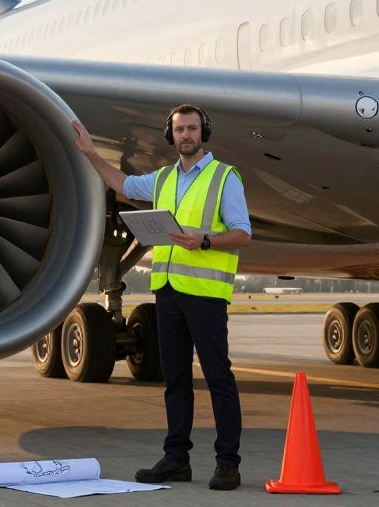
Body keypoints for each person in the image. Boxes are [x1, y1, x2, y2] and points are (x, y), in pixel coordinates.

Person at [71, 105, 251, 491]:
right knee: (175, 379)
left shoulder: (224, 178)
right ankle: (176, 459)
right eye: (179, 129)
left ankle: (227, 463)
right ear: (170, 136)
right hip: (167, 291)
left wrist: (203, 240)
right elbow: (122, 184)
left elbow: (242, 233)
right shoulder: (164, 178)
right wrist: (89, 151)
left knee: (219, 377)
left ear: (204, 132)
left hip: (204, 294)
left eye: (192, 128)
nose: (186, 135)